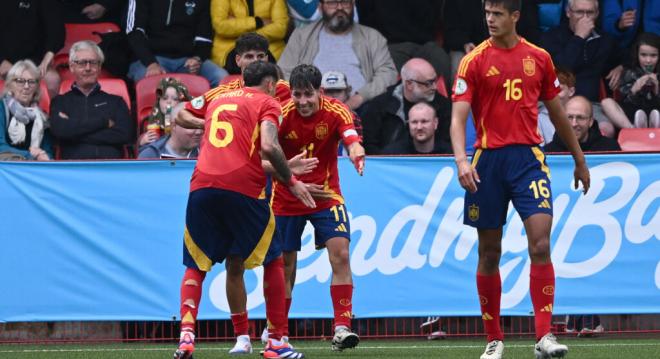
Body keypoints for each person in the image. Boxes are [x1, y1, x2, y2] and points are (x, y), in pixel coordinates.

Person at [449, 1, 591, 359]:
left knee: (540, 245)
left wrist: (579, 158)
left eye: (497, 14)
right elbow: (457, 117)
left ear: (515, 16)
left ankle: (544, 337)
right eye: (487, 14)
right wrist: (462, 160)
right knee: (489, 252)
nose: (490, 20)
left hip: (529, 159)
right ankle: (494, 339)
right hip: (488, 163)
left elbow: (557, 111)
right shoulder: (474, 60)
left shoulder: (539, 57)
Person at [172, 61, 313, 359]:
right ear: (272, 83)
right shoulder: (268, 102)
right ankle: (276, 342)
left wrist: (204, 123)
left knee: (196, 264)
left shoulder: (218, 96)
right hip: (245, 189)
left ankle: (186, 336)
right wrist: (291, 181)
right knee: (274, 259)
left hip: (201, 187)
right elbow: (271, 147)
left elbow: (180, 114)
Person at [273, 64, 365, 351]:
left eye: (308, 94)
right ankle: (280, 333)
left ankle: (341, 328)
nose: (302, 101)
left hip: (326, 195)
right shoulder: (281, 114)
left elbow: (350, 135)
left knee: (341, 254)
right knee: (285, 266)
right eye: (297, 94)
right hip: (287, 196)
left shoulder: (336, 111)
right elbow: (265, 153)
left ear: (320, 92)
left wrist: (355, 150)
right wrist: (290, 176)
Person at [277, 0, 397, 110]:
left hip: (362, 110)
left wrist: (359, 98)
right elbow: (283, 72)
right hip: (309, 111)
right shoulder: (301, 36)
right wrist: (306, 97)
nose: (339, 8)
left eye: (345, 2)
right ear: (320, 7)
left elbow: (388, 73)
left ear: (353, 5)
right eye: (332, 3)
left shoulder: (372, 37)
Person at [541, 0, 627, 137]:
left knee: (607, 130)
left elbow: (628, 57)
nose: (585, 17)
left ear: (597, 14)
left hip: (590, 105)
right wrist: (579, 38)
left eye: (590, 12)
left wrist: (621, 67)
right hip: (557, 103)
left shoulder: (604, 40)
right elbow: (561, 70)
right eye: (579, 12)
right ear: (568, 12)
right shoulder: (551, 37)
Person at [50, 41, 133, 159]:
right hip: (72, 170)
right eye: (82, 63)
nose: (88, 68)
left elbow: (124, 135)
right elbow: (60, 132)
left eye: (93, 63)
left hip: (110, 169)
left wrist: (73, 133)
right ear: (72, 67)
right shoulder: (60, 101)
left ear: (99, 68)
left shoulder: (116, 102)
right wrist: (103, 123)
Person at [125, 0, 227, 87]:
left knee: (222, 78)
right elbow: (134, 33)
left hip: (186, 60)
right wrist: (151, 63)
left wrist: (197, 58)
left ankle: (206, 110)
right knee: (152, 81)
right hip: (149, 59)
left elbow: (204, 38)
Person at [360, 58, 451, 154]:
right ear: (409, 84)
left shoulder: (444, 106)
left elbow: (448, 145)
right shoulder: (379, 106)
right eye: (428, 83)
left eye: (435, 81)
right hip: (390, 164)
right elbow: (367, 145)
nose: (435, 87)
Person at [356, 0, 451, 91]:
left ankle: (441, 105)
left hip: (425, 43)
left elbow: (436, 11)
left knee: (442, 60)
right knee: (389, 75)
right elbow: (365, 18)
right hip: (390, 44)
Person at [0, 0, 64, 98]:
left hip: (34, 61)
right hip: (3, 60)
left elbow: (57, 28)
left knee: (52, 80)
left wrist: (47, 57)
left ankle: (44, 113)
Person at [209, 0, 289, 67]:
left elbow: (281, 29)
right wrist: (258, 22)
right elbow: (221, 26)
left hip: (271, 51)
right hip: (229, 51)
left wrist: (237, 26)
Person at [0, 60, 52, 161]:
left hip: (33, 170)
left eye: (31, 82)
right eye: (20, 81)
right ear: (10, 84)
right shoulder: (1, 108)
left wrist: (45, 157)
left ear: (36, 87)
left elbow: (48, 152)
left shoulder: (41, 117)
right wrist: (30, 155)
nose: (26, 86)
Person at [544, 96, 622, 151]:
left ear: (591, 121)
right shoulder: (549, 152)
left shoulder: (610, 149)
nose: (574, 124)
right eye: (569, 117)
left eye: (580, 118)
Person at [618, 32, 660, 128]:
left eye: (653, 56)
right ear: (637, 55)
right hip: (634, 114)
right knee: (606, 102)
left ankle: (655, 124)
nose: (648, 60)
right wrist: (635, 89)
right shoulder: (629, 73)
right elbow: (624, 103)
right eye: (643, 55)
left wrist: (657, 89)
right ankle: (633, 128)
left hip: (657, 111)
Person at [381, 101, 451, 155]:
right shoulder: (393, 154)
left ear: (435, 123)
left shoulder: (451, 154)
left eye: (424, 121)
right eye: (414, 122)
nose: (419, 127)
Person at [139, 77, 192, 147]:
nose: (169, 102)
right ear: (159, 102)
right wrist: (143, 141)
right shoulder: (154, 121)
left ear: (182, 103)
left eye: (175, 99)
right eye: (164, 98)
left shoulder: (190, 124)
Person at [320, 70, 363, 140]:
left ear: (347, 92)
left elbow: (356, 145)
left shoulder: (351, 117)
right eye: (328, 91)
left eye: (338, 91)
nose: (332, 95)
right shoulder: (311, 115)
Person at [538, 67, 576, 145]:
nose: (553, 95)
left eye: (558, 90)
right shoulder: (539, 118)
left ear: (571, 91)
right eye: (550, 90)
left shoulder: (581, 113)